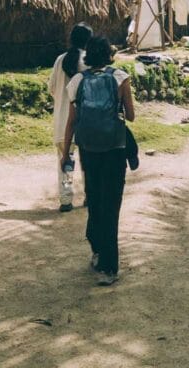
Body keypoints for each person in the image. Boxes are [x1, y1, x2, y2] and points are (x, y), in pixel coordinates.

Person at [62, 34, 135, 286]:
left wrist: (65, 153)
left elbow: (71, 121)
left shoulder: (77, 80)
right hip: (114, 148)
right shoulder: (120, 77)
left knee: (94, 199)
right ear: (109, 54)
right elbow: (132, 115)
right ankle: (109, 267)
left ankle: (96, 249)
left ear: (88, 55)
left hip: (88, 149)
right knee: (111, 205)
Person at [48, 22, 93, 212]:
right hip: (85, 122)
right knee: (88, 161)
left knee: (65, 160)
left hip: (61, 122)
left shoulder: (60, 60)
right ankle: (89, 196)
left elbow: (51, 89)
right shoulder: (89, 61)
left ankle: (66, 200)